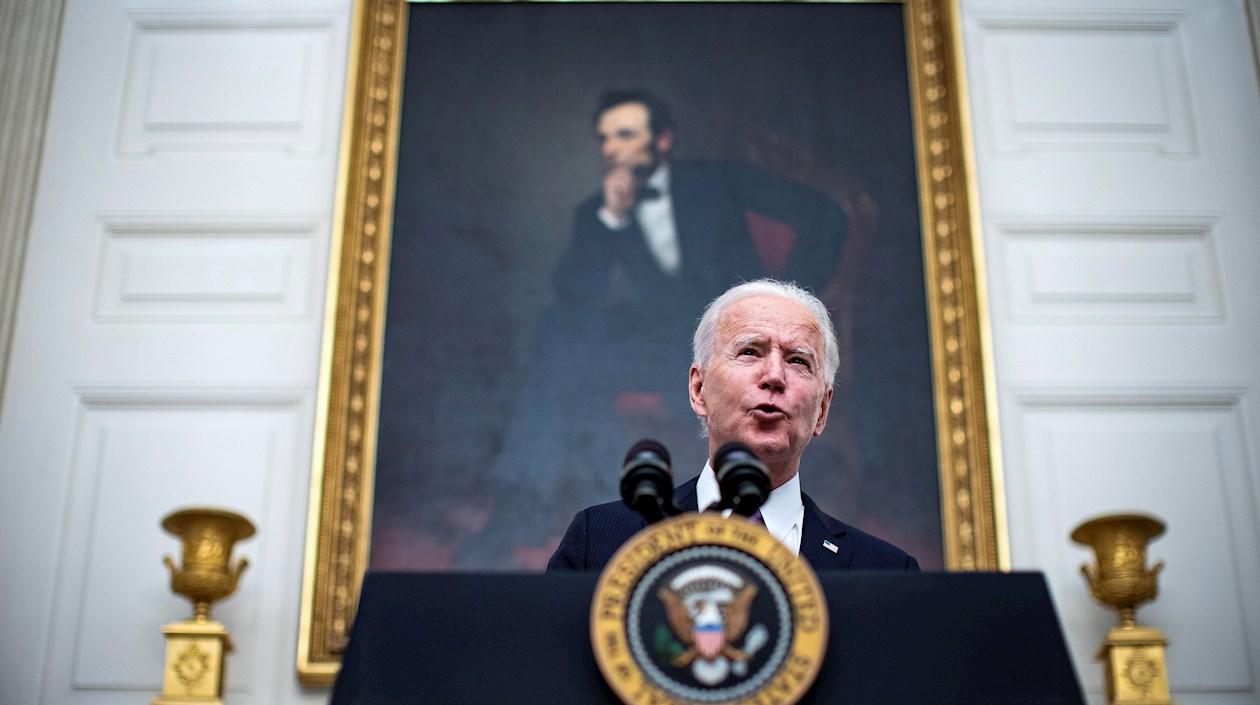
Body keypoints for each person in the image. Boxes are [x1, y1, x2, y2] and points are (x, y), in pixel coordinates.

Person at [547, 279, 919, 572]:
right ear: (699, 390)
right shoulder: (600, 542)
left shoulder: (883, 571)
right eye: (750, 352)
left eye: (798, 361)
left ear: (822, 409)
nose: (774, 376)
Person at [553, 89, 846, 318]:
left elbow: (826, 215)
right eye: (603, 138)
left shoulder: (719, 181)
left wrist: (790, 297)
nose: (609, 149)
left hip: (733, 326)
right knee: (553, 328)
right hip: (653, 343)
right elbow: (573, 296)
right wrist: (613, 217)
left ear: (663, 139)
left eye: (625, 135)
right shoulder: (596, 212)